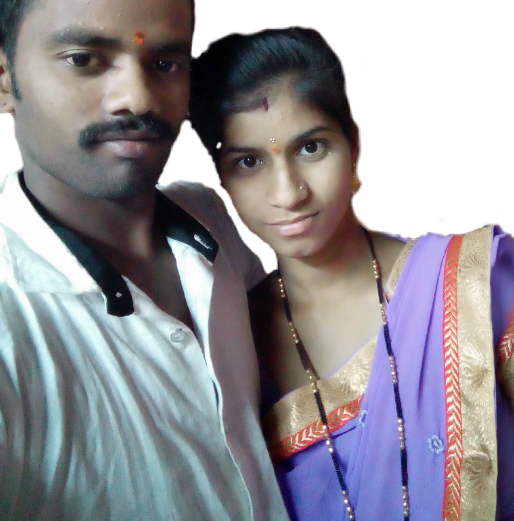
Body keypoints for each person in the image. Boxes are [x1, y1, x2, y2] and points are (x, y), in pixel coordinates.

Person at [0, 0, 291, 521]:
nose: (137, 97)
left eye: (165, 63)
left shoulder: (209, 214)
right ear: (4, 80)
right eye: (84, 59)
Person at [188, 25, 514, 520]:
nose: (288, 193)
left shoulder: (474, 280)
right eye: (249, 162)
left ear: (355, 146)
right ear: (221, 178)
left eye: (311, 148)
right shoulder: (226, 343)